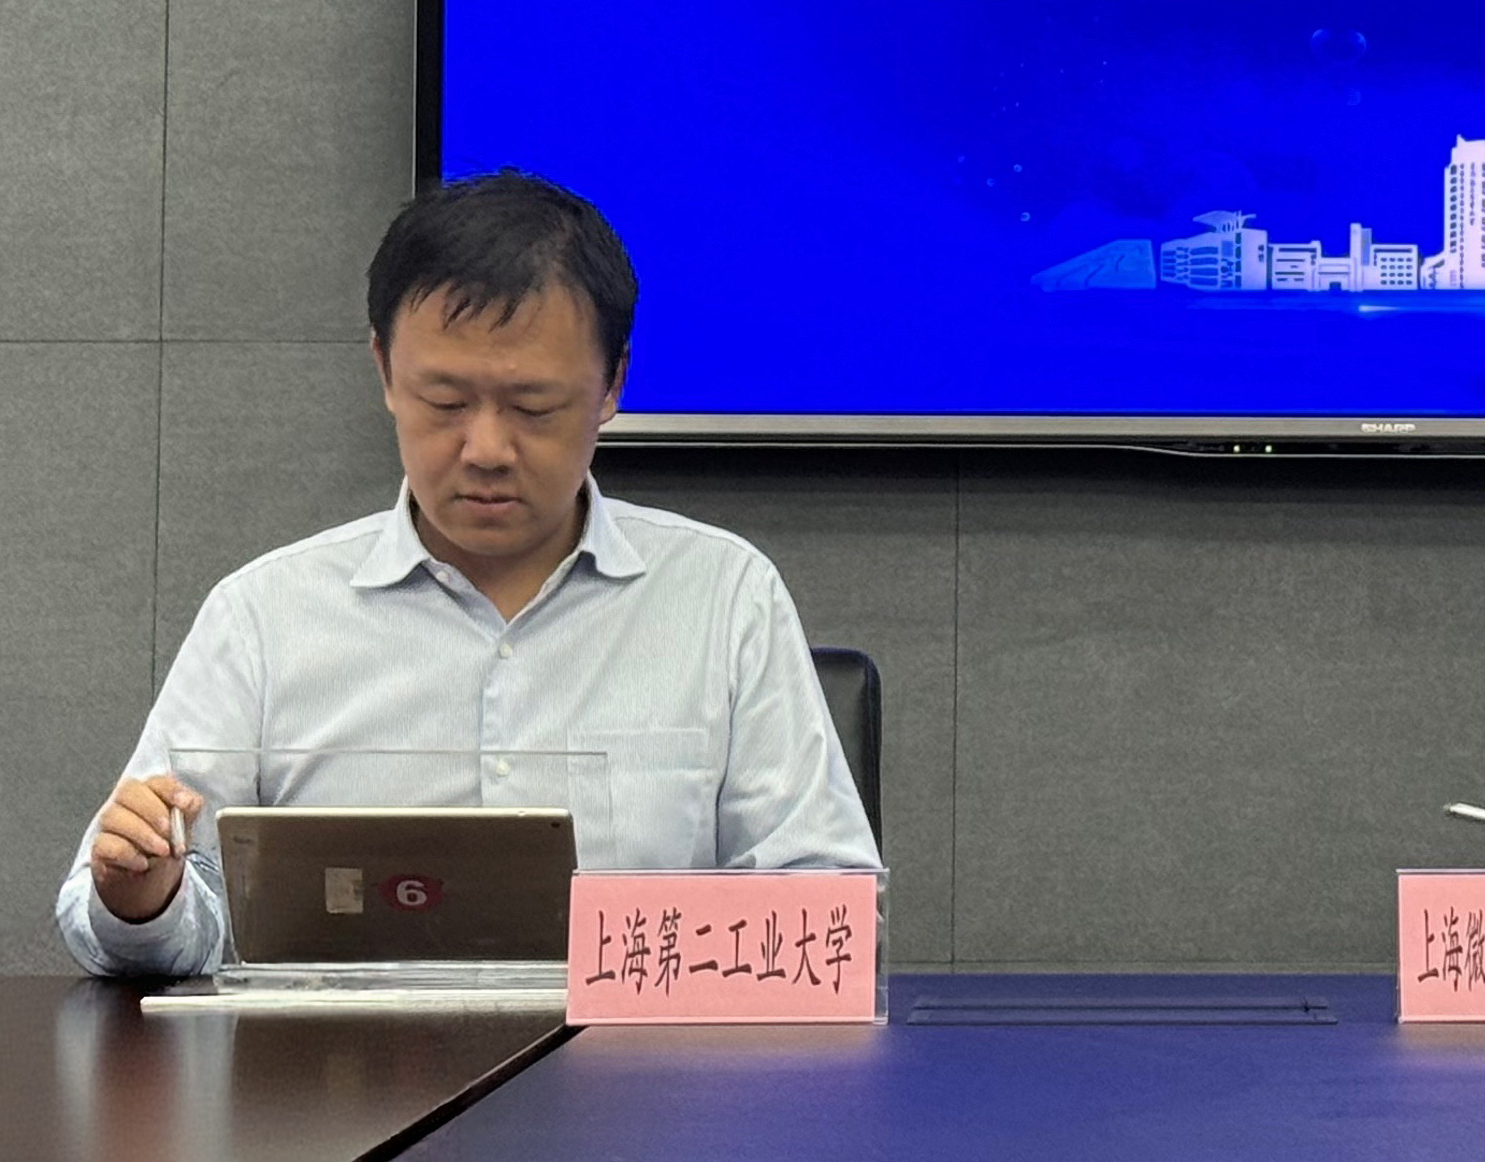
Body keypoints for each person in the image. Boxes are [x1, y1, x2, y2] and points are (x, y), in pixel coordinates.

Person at [57, 171, 879, 976]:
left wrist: (624, 957)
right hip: (336, 1065)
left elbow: (832, 908)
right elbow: (162, 910)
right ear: (385, 371)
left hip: (631, 1064)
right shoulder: (265, 615)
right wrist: (143, 899)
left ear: (613, 384)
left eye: (533, 407)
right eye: (445, 402)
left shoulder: (723, 597)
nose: (486, 448)